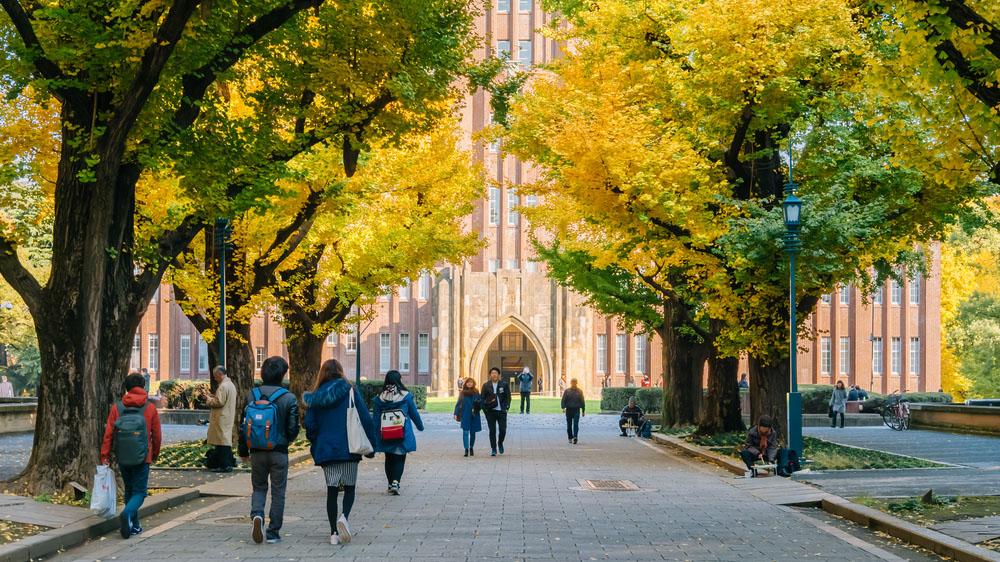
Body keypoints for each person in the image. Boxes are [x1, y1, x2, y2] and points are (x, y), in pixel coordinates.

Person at [304, 359, 376, 546]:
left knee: (332, 490)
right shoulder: (350, 390)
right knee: (350, 487)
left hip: (327, 448)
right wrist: (372, 445)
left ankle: (333, 533)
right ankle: (344, 517)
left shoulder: (315, 396)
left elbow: (310, 425)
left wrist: (315, 441)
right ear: (341, 372)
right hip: (349, 447)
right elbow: (365, 418)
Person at [239, 356, 299, 545]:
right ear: (282, 374)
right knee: (278, 490)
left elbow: (243, 426)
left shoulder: (252, 395)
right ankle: (273, 532)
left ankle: (257, 515)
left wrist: (243, 450)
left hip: (257, 451)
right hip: (279, 451)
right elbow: (293, 428)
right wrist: (285, 441)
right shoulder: (288, 397)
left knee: (259, 487)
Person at [100, 372, 161, 539]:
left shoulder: (117, 408)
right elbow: (156, 435)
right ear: (143, 387)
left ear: (126, 388)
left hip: (123, 455)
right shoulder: (150, 408)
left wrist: (104, 455)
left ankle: (134, 525)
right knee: (140, 491)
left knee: (129, 489)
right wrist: (154, 453)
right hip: (143, 456)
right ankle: (127, 514)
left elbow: (108, 434)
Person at [372, 370, 424, 495]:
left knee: (389, 458)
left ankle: (390, 483)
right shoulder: (405, 397)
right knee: (400, 457)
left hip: (386, 433)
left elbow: (375, 419)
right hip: (401, 433)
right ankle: (396, 481)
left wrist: (374, 435)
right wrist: (420, 426)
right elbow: (414, 414)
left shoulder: (380, 398)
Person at [205, 366, 237, 472]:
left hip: (221, 417)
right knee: (225, 441)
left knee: (221, 441)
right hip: (228, 416)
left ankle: (224, 465)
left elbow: (219, 402)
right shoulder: (230, 385)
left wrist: (209, 399)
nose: (214, 378)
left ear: (219, 374)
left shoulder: (223, 386)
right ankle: (229, 462)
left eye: (215, 376)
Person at [481, 367, 511, 456]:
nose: (494, 374)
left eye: (496, 373)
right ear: (490, 375)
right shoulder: (486, 385)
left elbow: (508, 397)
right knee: (492, 431)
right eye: (492, 373)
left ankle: (500, 443)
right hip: (490, 412)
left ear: (498, 375)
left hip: (501, 411)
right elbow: (482, 398)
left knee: (503, 430)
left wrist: (507, 406)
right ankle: (493, 449)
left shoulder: (504, 384)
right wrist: (485, 410)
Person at [453, 377, 482, 457]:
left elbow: (480, 403)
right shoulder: (462, 393)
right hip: (465, 414)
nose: (469, 384)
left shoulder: (476, 392)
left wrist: (479, 404)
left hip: (474, 415)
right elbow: (458, 404)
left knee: (473, 433)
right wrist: (456, 413)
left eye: (471, 382)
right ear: (465, 383)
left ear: (473, 384)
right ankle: (466, 449)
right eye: (468, 382)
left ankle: (471, 447)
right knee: (465, 432)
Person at [561, 378, 586, 444]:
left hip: (576, 410)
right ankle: (570, 437)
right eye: (573, 383)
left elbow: (582, 401)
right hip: (569, 410)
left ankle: (575, 437)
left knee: (575, 424)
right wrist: (563, 407)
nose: (574, 384)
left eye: (575, 383)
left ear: (576, 383)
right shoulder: (567, 391)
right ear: (571, 383)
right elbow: (563, 400)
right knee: (569, 425)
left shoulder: (579, 391)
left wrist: (583, 410)